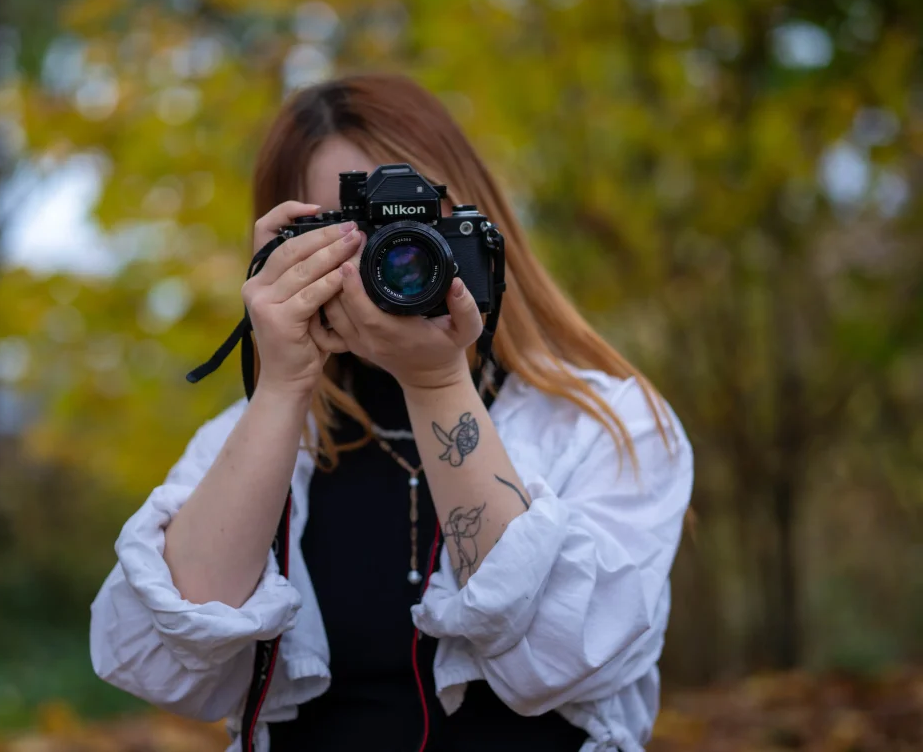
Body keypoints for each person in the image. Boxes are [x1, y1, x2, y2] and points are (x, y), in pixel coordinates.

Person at [89, 74, 694, 752]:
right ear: (286, 249)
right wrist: (283, 383)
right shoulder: (253, 435)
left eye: (416, 221)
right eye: (349, 228)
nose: (394, 254)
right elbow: (168, 665)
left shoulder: (604, 421)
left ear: (477, 226)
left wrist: (436, 380)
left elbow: (563, 657)